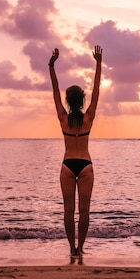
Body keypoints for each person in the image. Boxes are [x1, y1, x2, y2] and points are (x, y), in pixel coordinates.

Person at [49, 45, 102, 260]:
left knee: (68, 211)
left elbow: (54, 90)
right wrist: (99, 63)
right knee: (85, 211)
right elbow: (96, 92)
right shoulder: (88, 117)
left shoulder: (63, 118)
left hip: (67, 164)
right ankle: (80, 248)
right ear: (81, 101)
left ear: (68, 101)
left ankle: (72, 248)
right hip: (86, 165)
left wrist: (51, 65)